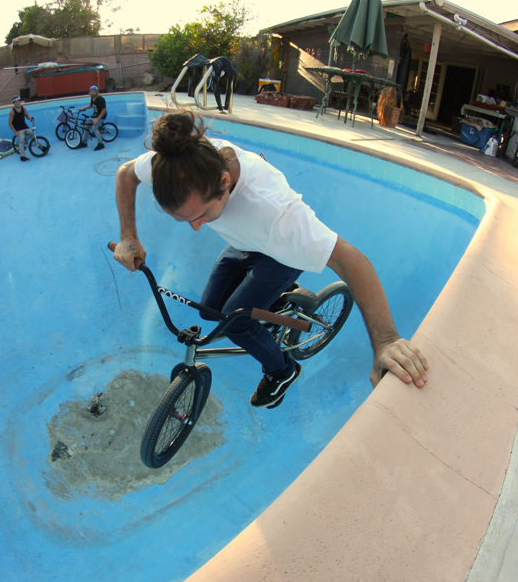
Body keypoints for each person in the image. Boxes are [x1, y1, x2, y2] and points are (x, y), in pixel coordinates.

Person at [113, 111, 428, 409]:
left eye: (203, 214)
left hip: (280, 253)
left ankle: (283, 370)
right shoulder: (177, 164)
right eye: (186, 220)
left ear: (225, 182)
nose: (197, 226)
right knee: (212, 312)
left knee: (236, 323)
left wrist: (386, 341)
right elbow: (126, 174)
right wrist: (129, 236)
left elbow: (350, 260)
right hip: (245, 243)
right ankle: (272, 306)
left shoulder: (277, 214)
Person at [78, 85, 107, 150]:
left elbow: (104, 110)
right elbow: (91, 105)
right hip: (94, 116)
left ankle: (101, 144)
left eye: (94, 91)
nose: (92, 93)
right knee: (86, 126)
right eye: (91, 91)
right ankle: (84, 143)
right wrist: (82, 108)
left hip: (100, 116)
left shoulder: (101, 99)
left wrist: (97, 119)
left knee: (94, 128)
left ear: (97, 92)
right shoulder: (92, 98)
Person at [8, 96, 34, 162]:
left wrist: (30, 119)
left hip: (24, 126)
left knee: (33, 136)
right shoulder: (12, 111)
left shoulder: (24, 108)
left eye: (18, 102)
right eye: (16, 102)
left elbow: (27, 115)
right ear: (14, 103)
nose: (17, 103)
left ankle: (42, 148)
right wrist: (15, 132)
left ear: (20, 102)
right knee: (22, 140)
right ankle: (22, 156)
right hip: (18, 128)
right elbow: (10, 123)